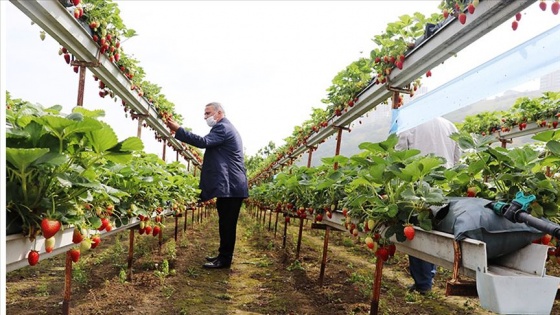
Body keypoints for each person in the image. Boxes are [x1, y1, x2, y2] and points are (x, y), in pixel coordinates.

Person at [166, 102, 249, 269]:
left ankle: (224, 260)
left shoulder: (223, 128)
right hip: (231, 187)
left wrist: (179, 130)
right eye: (205, 114)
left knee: (227, 224)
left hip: (231, 187)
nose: (205, 117)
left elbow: (203, 142)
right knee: (225, 223)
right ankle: (222, 256)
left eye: (208, 113)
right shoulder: (226, 128)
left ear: (219, 113)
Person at [395, 116, 461, 294]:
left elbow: (399, 156)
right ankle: (429, 276)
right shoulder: (450, 125)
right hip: (444, 183)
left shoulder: (410, 122)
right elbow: (457, 159)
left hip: (419, 184)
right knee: (436, 227)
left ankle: (423, 283)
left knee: (419, 229)